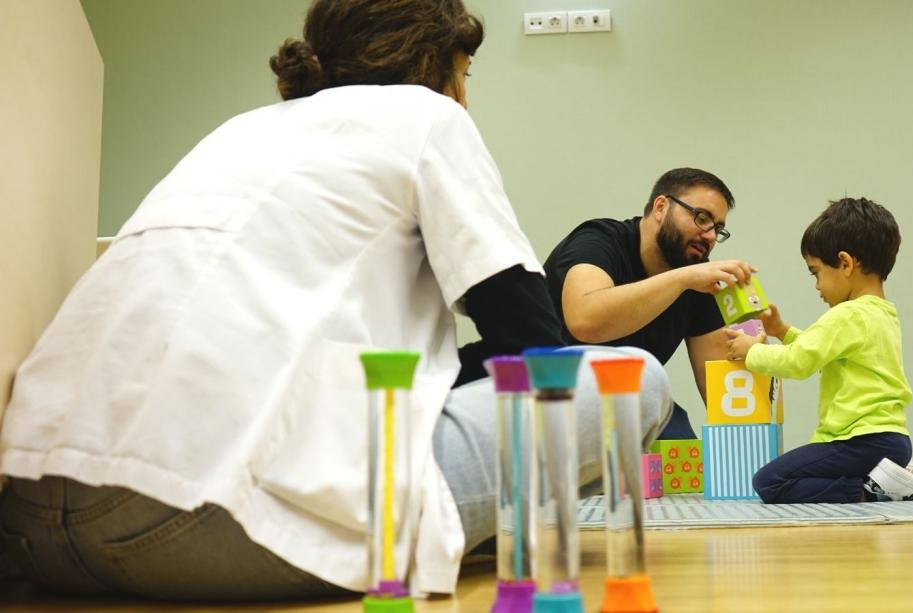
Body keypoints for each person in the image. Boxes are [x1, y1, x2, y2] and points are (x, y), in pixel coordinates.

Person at [0, 0, 671, 601]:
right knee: (632, 380)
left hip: (29, 519)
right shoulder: (427, 115)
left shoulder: (239, 131)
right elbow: (537, 350)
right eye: (464, 76)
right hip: (208, 524)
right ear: (433, 65)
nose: (464, 100)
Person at [724, 197, 913, 503]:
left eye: (816, 272)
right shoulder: (883, 313)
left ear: (846, 264)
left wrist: (750, 352)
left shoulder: (846, 315)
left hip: (861, 440)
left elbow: (799, 362)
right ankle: (888, 480)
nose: (816, 285)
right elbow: (823, 352)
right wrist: (783, 331)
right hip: (893, 441)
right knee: (797, 473)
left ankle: (871, 491)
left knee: (769, 481)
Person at [543, 167, 757, 440]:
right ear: (660, 207)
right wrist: (682, 279)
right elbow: (585, 322)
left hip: (630, 401)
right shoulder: (597, 241)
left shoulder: (696, 277)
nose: (710, 236)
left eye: (718, 229)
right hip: (551, 395)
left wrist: (757, 353)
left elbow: (721, 390)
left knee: (682, 452)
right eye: (701, 218)